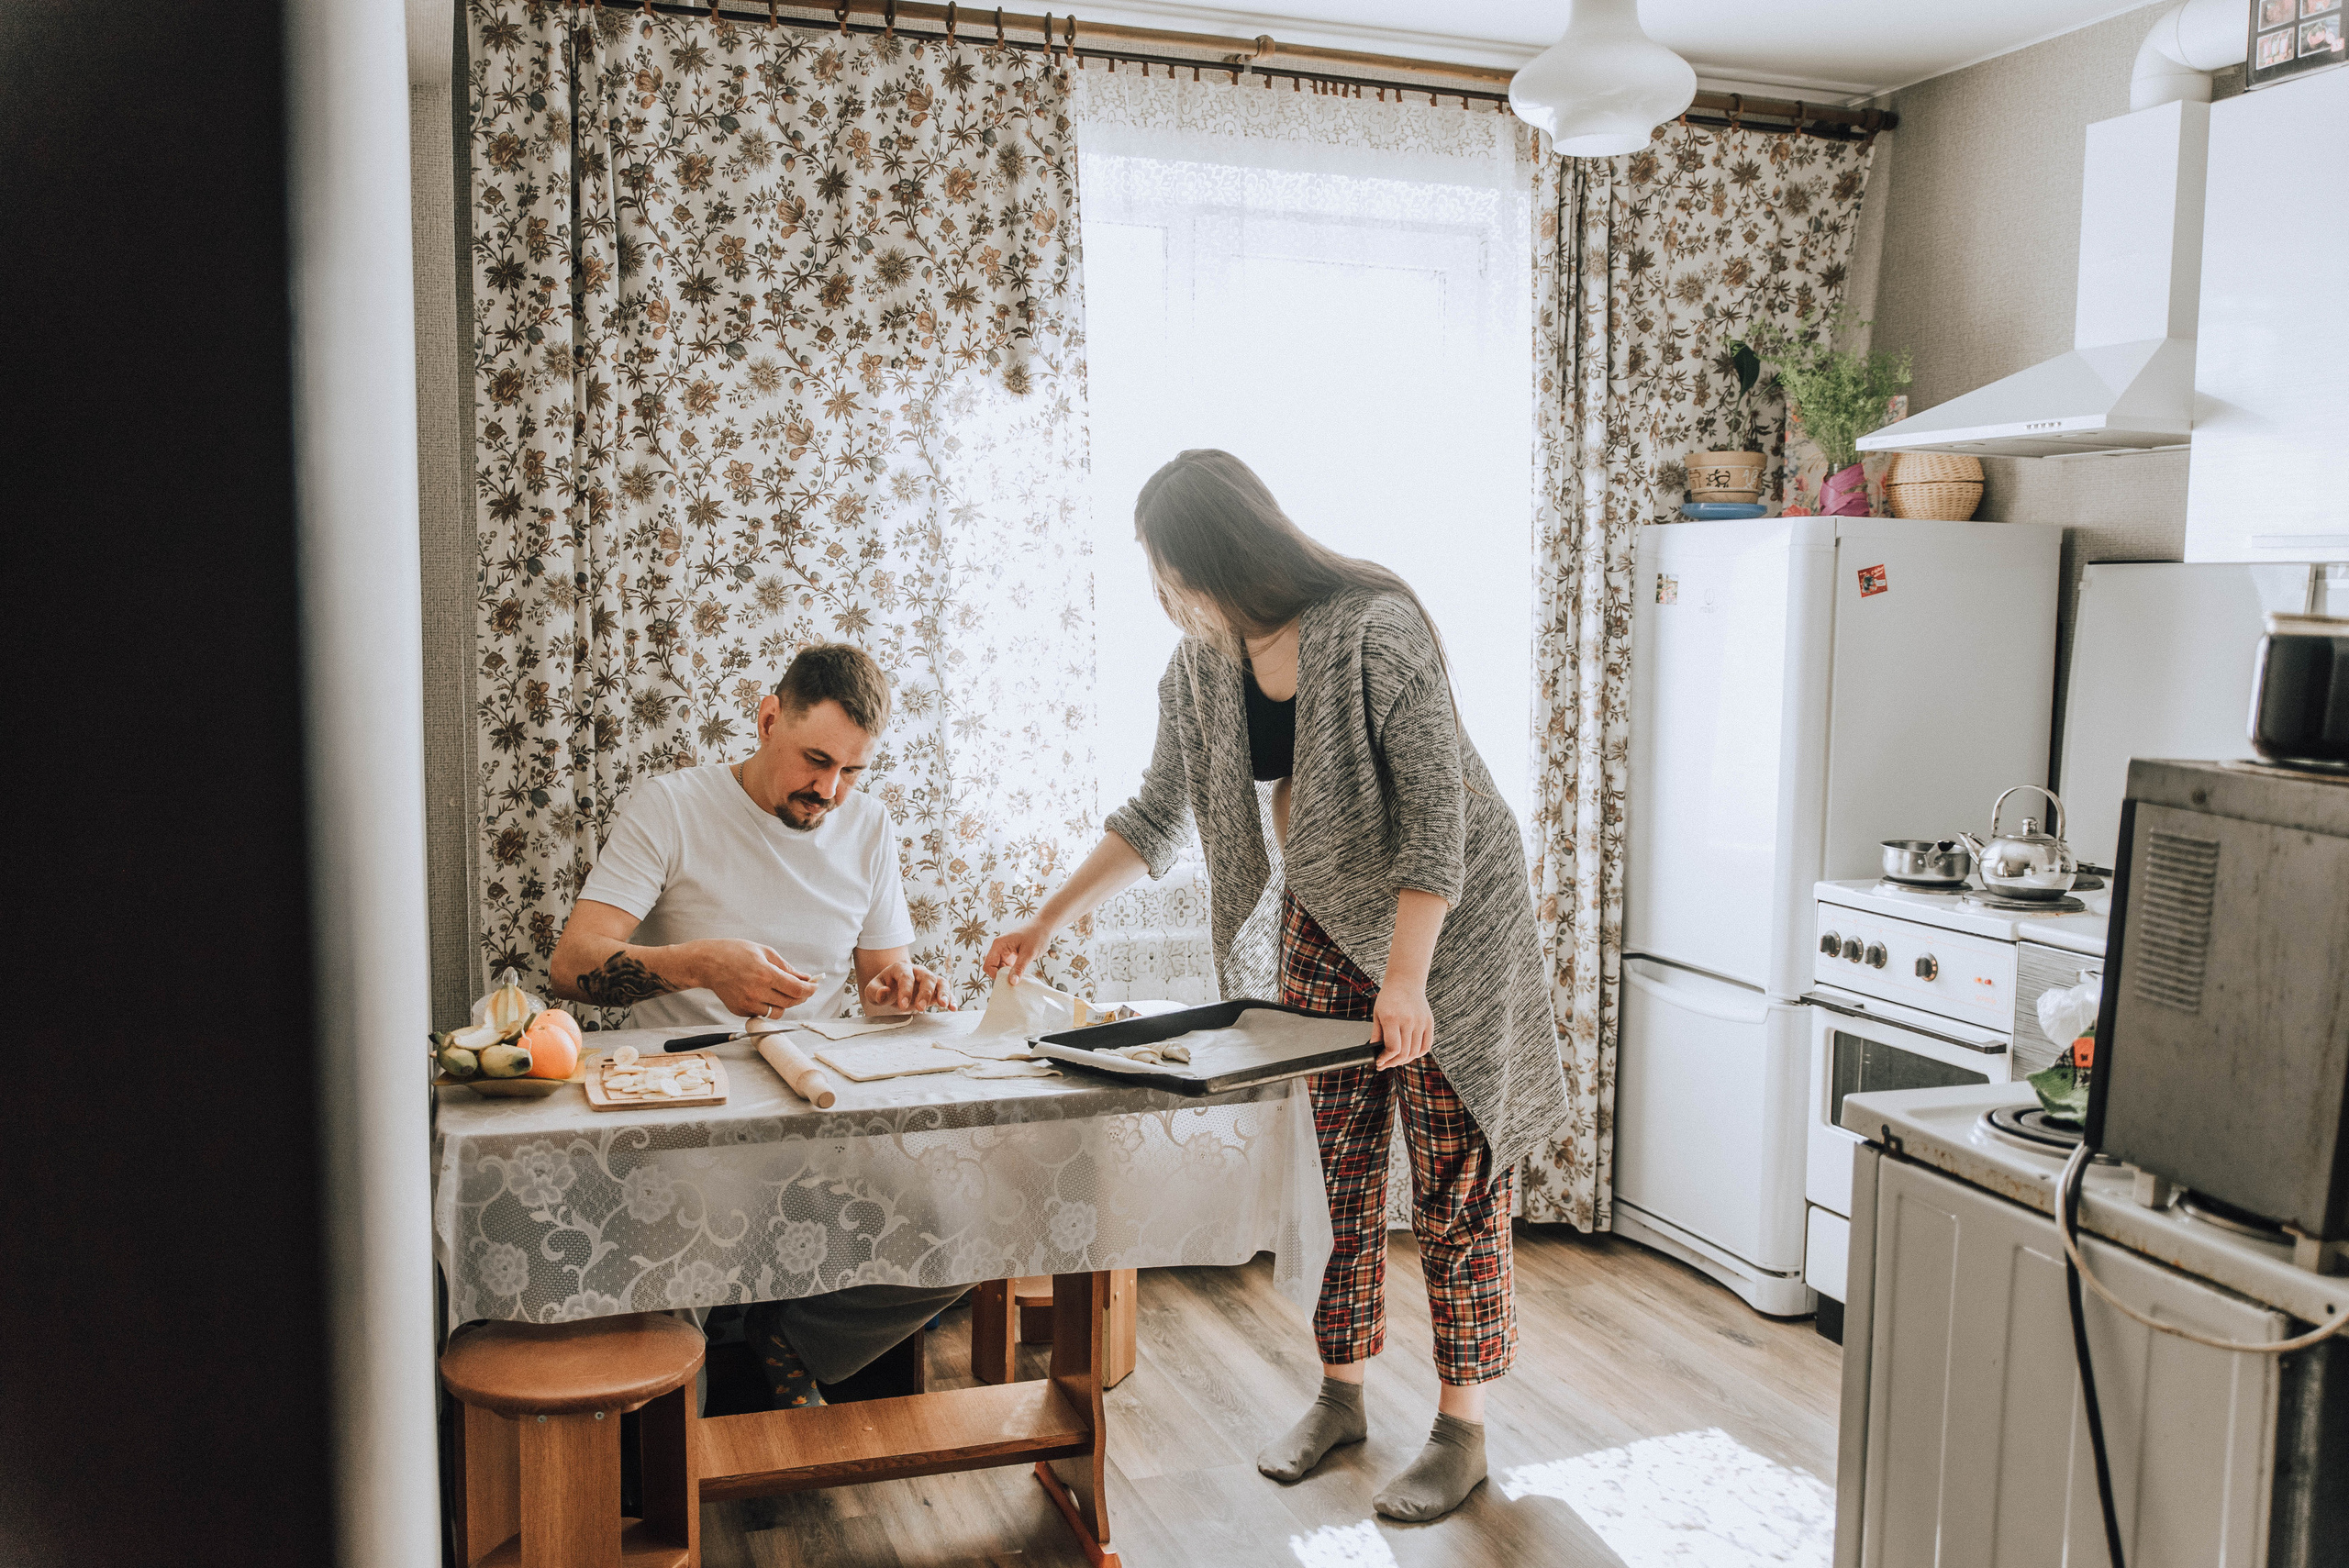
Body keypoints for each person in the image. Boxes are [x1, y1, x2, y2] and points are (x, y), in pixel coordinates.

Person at [986, 450, 1568, 1522]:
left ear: (1212, 552)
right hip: (1324, 919)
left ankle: (1460, 1427)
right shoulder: (1202, 660)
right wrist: (1045, 917)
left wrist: (1407, 977)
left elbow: (1438, 807)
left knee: (1453, 1180)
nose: (1161, 591)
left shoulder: (1373, 625)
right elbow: (1156, 809)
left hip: (1446, 923)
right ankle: (1340, 1393)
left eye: (1165, 567)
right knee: (1335, 1174)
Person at [548, 642, 962, 1407]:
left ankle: (797, 1336)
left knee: (961, 1223)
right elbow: (571, 964)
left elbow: (879, 983)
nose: (829, 790)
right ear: (768, 718)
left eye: (851, 771)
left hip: (821, 1094)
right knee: (665, 1299)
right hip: (685, 1104)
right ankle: (681, 1457)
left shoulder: (868, 828)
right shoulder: (671, 806)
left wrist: (902, 990)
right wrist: (701, 964)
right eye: (814, 760)